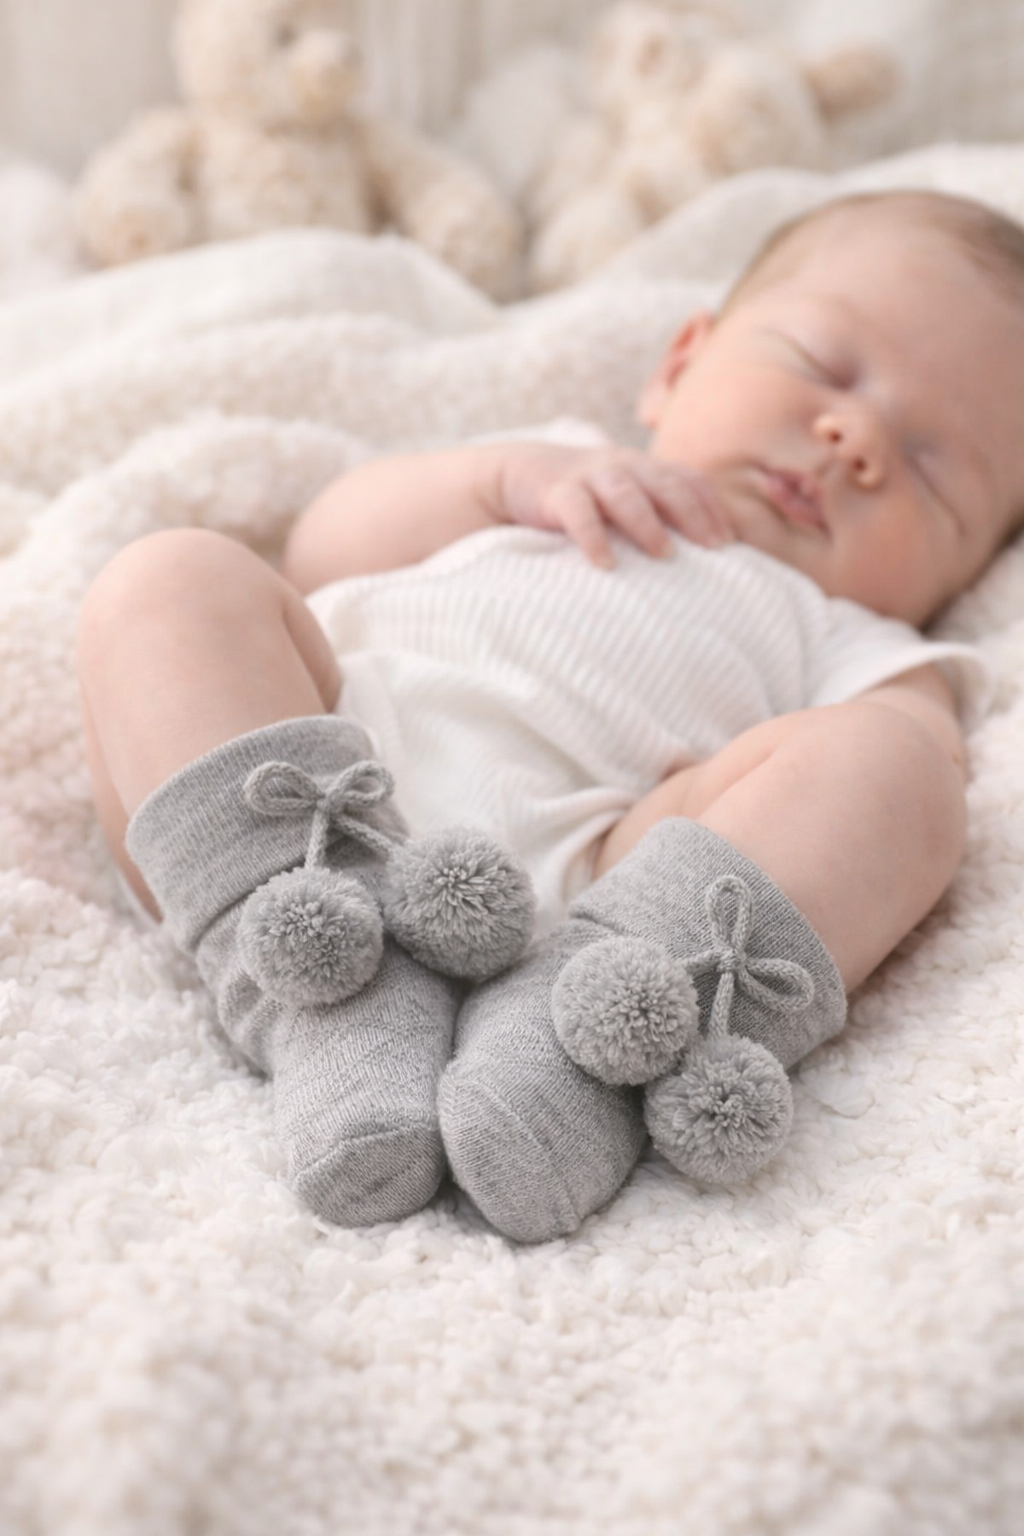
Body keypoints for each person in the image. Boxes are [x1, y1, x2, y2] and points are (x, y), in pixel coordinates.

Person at [76, 189, 1024, 1243]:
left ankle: (572, 1054)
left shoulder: (852, 633)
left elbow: (899, 812)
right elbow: (323, 555)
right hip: (304, 793)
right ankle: (322, 996)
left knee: (894, 773)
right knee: (166, 581)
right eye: (821, 365)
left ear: (965, 567)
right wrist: (501, 479)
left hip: (582, 899)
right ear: (678, 367)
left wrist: (905, 747)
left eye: (935, 469)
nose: (854, 439)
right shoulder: (558, 467)